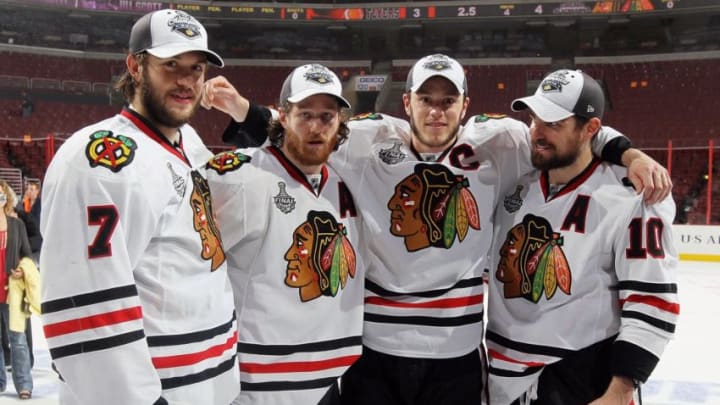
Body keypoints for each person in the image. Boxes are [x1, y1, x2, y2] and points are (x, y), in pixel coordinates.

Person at [204, 54, 671, 405]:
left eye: (448, 101)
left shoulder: (502, 141)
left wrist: (628, 152)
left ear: (466, 105)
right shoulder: (366, 139)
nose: (436, 111)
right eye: (425, 99)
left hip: (458, 353)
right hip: (375, 352)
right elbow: (295, 130)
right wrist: (243, 108)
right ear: (406, 102)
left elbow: (569, 136)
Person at [39, 9, 238, 405]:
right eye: (171, 66)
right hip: (159, 390)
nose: (186, 81)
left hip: (207, 380)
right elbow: (89, 307)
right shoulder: (100, 161)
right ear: (135, 66)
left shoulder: (190, 142)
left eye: (196, 69)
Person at [486, 69, 679, 405]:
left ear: (591, 129)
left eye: (553, 123)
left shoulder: (632, 195)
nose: (537, 133)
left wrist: (619, 392)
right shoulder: (514, 179)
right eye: (534, 120)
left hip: (581, 380)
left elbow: (651, 301)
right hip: (502, 377)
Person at [204, 63, 365, 405]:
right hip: (257, 383)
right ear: (283, 117)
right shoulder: (239, 175)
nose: (315, 127)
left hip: (328, 382)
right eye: (304, 114)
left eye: (326, 117)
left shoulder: (347, 175)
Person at [0, 179, 33, 400]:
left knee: (18, 339)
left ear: (6, 196)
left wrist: (23, 270)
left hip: (12, 289)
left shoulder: (17, 224)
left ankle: (24, 384)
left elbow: (27, 256)